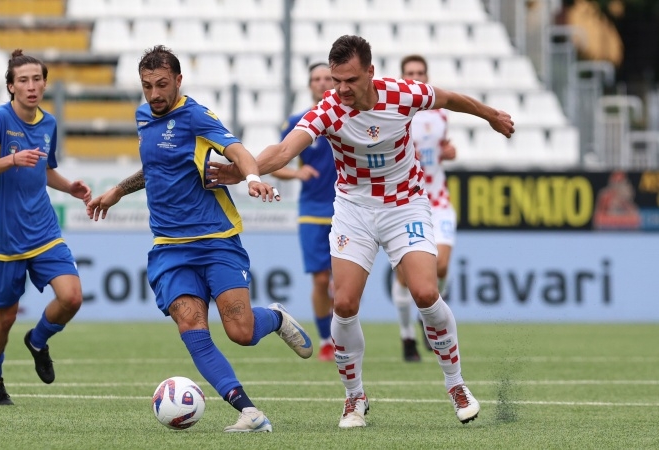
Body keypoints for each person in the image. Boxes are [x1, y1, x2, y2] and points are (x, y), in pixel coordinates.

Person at [207, 35, 515, 429]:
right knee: (346, 303)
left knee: (425, 291)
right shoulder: (330, 110)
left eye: (350, 79)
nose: (341, 89)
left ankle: (456, 384)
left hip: (406, 205)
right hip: (354, 210)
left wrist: (490, 115)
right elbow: (285, 151)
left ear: (370, 72)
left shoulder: (403, 93)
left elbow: (452, 99)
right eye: (336, 80)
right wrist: (248, 171)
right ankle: (354, 399)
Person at [85, 45, 313, 433]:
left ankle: (274, 318)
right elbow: (154, 168)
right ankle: (249, 411)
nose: (154, 94)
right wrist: (118, 191)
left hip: (217, 240)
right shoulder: (144, 117)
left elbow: (236, 149)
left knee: (240, 332)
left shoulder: (195, 116)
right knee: (191, 324)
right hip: (169, 248)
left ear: (178, 80)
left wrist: (253, 177)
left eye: (161, 84)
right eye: (146, 86)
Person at [0, 49, 92, 405]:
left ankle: (37, 339)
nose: (31, 86)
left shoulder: (49, 123)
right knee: (4, 318)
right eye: (23, 80)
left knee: (72, 297)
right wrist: (10, 159)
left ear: (45, 83)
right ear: (11, 86)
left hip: (43, 230)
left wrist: (69, 186)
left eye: (37, 79)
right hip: (5, 236)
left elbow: (44, 168)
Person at [393, 54, 459, 362]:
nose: (416, 77)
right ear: (402, 77)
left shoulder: (440, 114)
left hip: (439, 201)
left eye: (421, 73)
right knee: (405, 278)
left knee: (441, 266)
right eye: (410, 73)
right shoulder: (394, 114)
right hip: (406, 202)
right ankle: (407, 338)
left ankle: (428, 315)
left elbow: (443, 149)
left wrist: (448, 152)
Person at [270, 62, 337, 362]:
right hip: (311, 210)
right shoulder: (299, 122)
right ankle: (326, 339)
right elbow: (277, 162)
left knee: (344, 284)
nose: (322, 83)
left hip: (346, 210)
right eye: (316, 79)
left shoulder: (350, 117)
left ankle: (342, 337)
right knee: (322, 281)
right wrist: (297, 174)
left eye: (327, 78)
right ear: (309, 85)